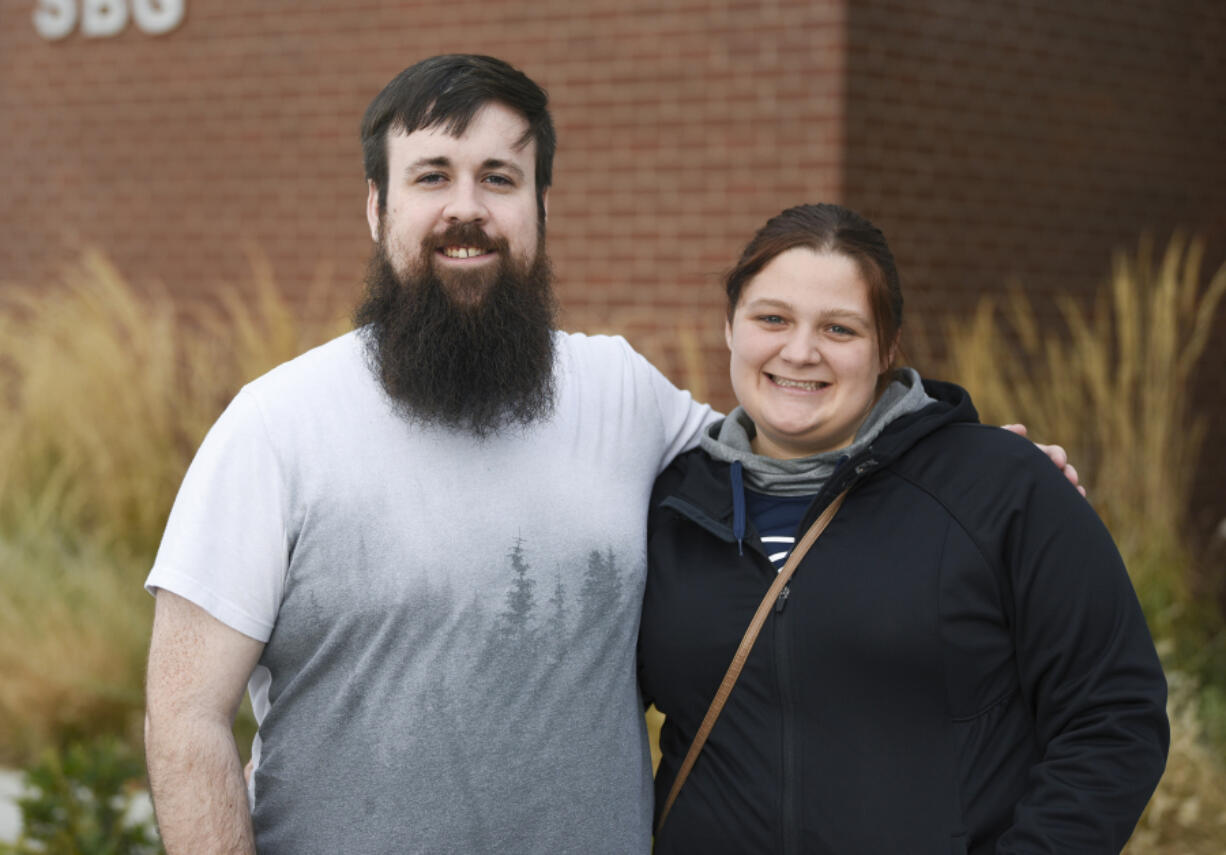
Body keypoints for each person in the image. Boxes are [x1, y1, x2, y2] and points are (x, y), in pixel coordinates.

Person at [142, 56, 1082, 854]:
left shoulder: (619, 394)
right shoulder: (277, 426)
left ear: (540, 206)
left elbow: (806, 453)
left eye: (499, 179)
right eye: (432, 176)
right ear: (376, 208)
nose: (465, 210)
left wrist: (976, 468)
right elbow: (185, 718)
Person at [638, 203, 1169, 854]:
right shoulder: (666, 504)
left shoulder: (1001, 489)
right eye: (772, 318)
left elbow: (1113, 712)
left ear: (888, 347)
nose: (799, 351)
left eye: (840, 328)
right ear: (730, 327)